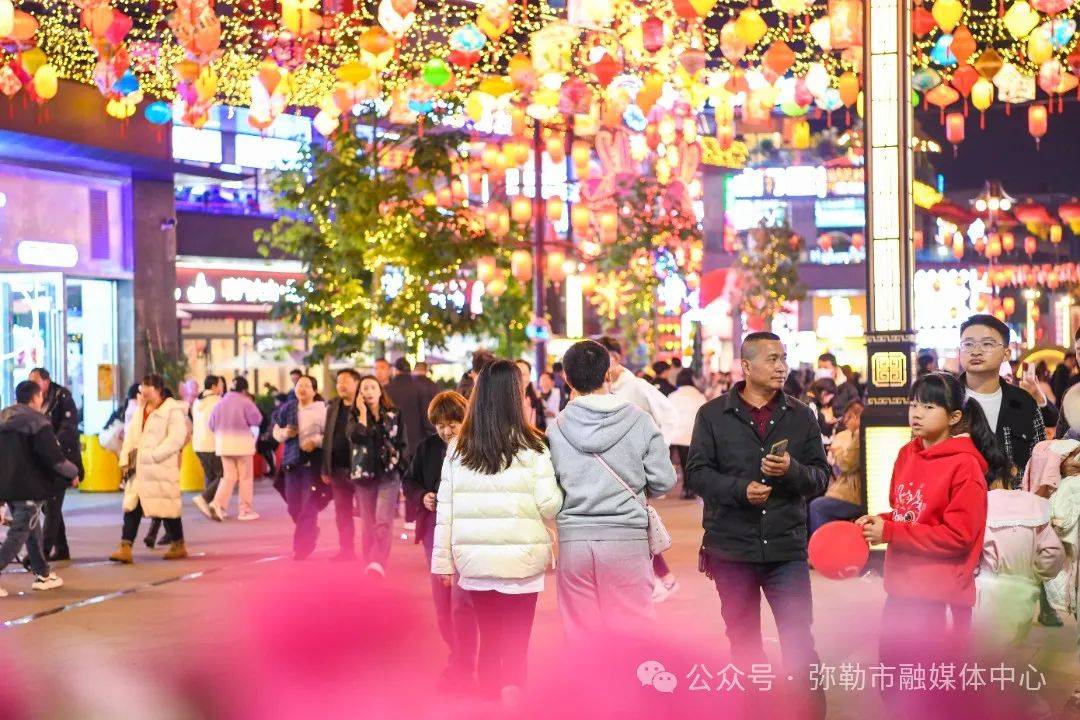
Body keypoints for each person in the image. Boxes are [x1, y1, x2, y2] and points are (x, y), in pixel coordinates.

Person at [686, 331, 830, 718]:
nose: (781, 366)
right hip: (731, 549)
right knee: (744, 640)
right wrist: (738, 490)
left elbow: (820, 478)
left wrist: (791, 471)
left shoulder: (801, 416)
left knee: (799, 640)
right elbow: (696, 474)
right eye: (771, 359)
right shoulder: (713, 415)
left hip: (786, 549)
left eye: (783, 358)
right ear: (746, 367)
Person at [431, 360, 562, 707]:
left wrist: (443, 563)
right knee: (517, 641)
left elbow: (446, 510)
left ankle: (489, 701)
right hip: (522, 561)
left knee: (488, 638)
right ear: (515, 396)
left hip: (475, 561)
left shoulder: (457, 448)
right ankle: (514, 698)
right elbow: (549, 505)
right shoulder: (534, 446)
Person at [856, 373, 1003, 681]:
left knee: (936, 692)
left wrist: (891, 532)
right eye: (914, 404)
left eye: (929, 406)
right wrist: (881, 520)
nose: (917, 413)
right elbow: (908, 513)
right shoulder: (907, 453)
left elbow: (959, 536)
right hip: (900, 589)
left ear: (955, 416)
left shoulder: (966, 466)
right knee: (894, 684)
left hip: (941, 598)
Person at [546, 340, 676, 637]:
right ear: (609, 374)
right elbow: (664, 480)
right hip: (626, 539)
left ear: (566, 379)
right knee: (633, 635)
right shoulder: (639, 422)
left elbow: (550, 487)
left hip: (574, 542)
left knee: (581, 637)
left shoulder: (556, 429)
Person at [596, 335, 680, 601]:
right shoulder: (601, 388)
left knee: (631, 526)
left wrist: (656, 450)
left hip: (632, 469)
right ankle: (661, 577)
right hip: (610, 468)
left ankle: (654, 581)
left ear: (616, 359)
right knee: (628, 526)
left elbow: (669, 416)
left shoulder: (636, 386)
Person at [403, 391, 478, 688]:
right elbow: (408, 480)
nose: (446, 431)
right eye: (440, 425)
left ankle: (464, 661)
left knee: (463, 603)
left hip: (467, 532)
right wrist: (423, 496)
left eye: (453, 423)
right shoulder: (428, 448)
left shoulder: (475, 448)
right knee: (442, 606)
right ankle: (457, 653)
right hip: (434, 533)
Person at [958, 315, 1057, 483]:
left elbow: (1040, 463)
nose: (976, 351)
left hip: (1014, 504)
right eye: (968, 344)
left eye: (987, 344)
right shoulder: (945, 400)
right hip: (955, 504)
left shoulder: (1024, 403)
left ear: (1006, 354)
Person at [0, 381, 77, 596]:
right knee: (19, 534)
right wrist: (73, 472)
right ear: (36, 398)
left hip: (7, 487)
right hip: (28, 487)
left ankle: (42, 574)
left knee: (32, 530)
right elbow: (54, 458)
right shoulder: (38, 422)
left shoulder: (3, 418)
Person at [973, 474, 1065, 652]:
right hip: (1023, 589)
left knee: (984, 653)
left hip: (985, 590)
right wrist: (1034, 576)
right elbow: (1054, 554)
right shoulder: (1034, 505)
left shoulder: (978, 504)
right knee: (1013, 649)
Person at [110, 375, 190, 563]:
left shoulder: (172, 410)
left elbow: (177, 438)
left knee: (166, 506)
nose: (143, 392)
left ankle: (179, 544)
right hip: (138, 468)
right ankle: (125, 547)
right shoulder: (141, 409)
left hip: (160, 468)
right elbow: (131, 435)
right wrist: (125, 459)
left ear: (158, 389)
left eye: (148, 388)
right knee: (132, 506)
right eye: (142, 388)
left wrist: (154, 455)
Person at [349, 375, 407, 578]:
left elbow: (402, 443)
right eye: (365, 388)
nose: (369, 391)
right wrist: (363, 413)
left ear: (380, 391)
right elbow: (358, 436)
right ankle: (369, 562)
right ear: (359, 394)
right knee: (367, 523)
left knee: (383, 520)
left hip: (388, 475)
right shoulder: (355, 417)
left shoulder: (395, 414)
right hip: (364, 476)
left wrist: (400, 466)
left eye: (373, 387)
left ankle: (378, 561)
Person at [28, 367, 81, 562]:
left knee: (51, 506)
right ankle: (62, 548)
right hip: (46, 459)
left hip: (62, 458)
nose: (33, 386)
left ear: (47, 381)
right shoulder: (36, 399)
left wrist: (52, 444)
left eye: (36, 381)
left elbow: (69, 427)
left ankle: (43, 551)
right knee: (50, 507)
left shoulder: (61, 396)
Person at [272, 375, 326, 560]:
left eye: (307, 385)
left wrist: (315, 441)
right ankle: (311, 531)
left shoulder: (322, 411)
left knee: (308, 506)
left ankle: (302, 547)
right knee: (294, 507)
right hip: (292, 464)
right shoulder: (287, 408)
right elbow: (276, 430)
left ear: (314, 391)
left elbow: (330, 436)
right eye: (299, 385)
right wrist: (284, 433)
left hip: (312, 466)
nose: (302, 388)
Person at [207, 376, 264, 522]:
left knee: (229, 477)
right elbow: (257, 419)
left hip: (223, 445)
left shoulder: (220, 402)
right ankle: (244, 511)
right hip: (242, 445)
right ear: (244, 390)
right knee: (245, 478)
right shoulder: (245, 401)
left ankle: (218, 505)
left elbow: (211, 424)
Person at [321, 369, 363, 562]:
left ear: (357, 383)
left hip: (361, 469)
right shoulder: (333, 406)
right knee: (342, 513)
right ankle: (347, 550)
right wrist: (325, 467)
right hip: (337, 469)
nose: (341, 385)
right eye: (339, 382)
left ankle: (373, 552)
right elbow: (327, 437)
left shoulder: (364, 406)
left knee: (368, 514)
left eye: (345, 381)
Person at [808, 401, 865, 535]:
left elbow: (847, 464)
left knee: (818, 506)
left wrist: (837, 452)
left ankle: (821, 551)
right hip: (853, 492)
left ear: (856, 417)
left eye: (847, 418)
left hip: (854, 495)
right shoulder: (853, 434)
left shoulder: (858, 433)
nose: (845, 423)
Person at [386, 357, 437, 464]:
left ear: (395, 370)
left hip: (392, 446)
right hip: (416, 446)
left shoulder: (386, 389)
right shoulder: (420, 388)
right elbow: (426, 419)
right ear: (410, 370)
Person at [668, 368, 707, 499]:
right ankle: (690, 487)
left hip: (678, 435)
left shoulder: (673, 396)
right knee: (692, 463)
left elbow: (668, 416)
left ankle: (686, 488)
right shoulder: (699, 396)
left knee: (684, 461)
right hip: (694, 434)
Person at [191, 375, 225, 521]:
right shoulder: (218, 401)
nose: (222, 387)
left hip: (198, 444)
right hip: (212, 444)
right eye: (220, 385)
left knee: (211, 476)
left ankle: (212, 508)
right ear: (213, 387)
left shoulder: (197, 401)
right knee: (223, 475)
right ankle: (203, 498)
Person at [514, 359, 547, 431]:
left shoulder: (536, 402)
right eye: (516, 374)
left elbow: (542, 426)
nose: (520, 378)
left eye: (524, 374)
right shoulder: (506, 403)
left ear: (529, 376)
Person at [1051, 348, 1079, 415]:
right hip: (1061, 403)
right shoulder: (1063, 371)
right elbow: (1061, 390)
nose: (1075, 364)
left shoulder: (1060, 370)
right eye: (1074, 361)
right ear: (1069, 359)